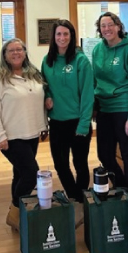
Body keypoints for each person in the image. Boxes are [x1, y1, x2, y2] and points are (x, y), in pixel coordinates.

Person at [0, 38, 48, 232]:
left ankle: (18, 220)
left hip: (31, 132)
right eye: (11, 50)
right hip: (11, 136)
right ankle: (14, 213)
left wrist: (44, 125)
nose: (16, 53)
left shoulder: (33, 74)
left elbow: (38, 101)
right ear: (4, 55)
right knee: (30, 174)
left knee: (19, 173)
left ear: (25, 52)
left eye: (19, 49)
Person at [92, 12, 128, 197]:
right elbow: (95, 80)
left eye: (110, 25)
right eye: (103, 26)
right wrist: (93, 106)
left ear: (118, 26)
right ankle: (122, 187)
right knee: (104, 155)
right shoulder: (97, 50)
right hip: (104, 109)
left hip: (125, 108)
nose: (106, 29)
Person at [41, 19, 94, 206]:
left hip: (78, 121)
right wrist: (47, 95)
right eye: (58, 34)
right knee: (60, 164)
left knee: (80, 164)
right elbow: (44, 85)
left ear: (71, 37)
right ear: (53, 37)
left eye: (66, 34)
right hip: (56, 121)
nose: (62, 38)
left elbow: (88, 95)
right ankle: (74, 197)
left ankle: (82, 199)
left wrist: (84, 124)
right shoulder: (47, 61)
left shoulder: (81, 61)